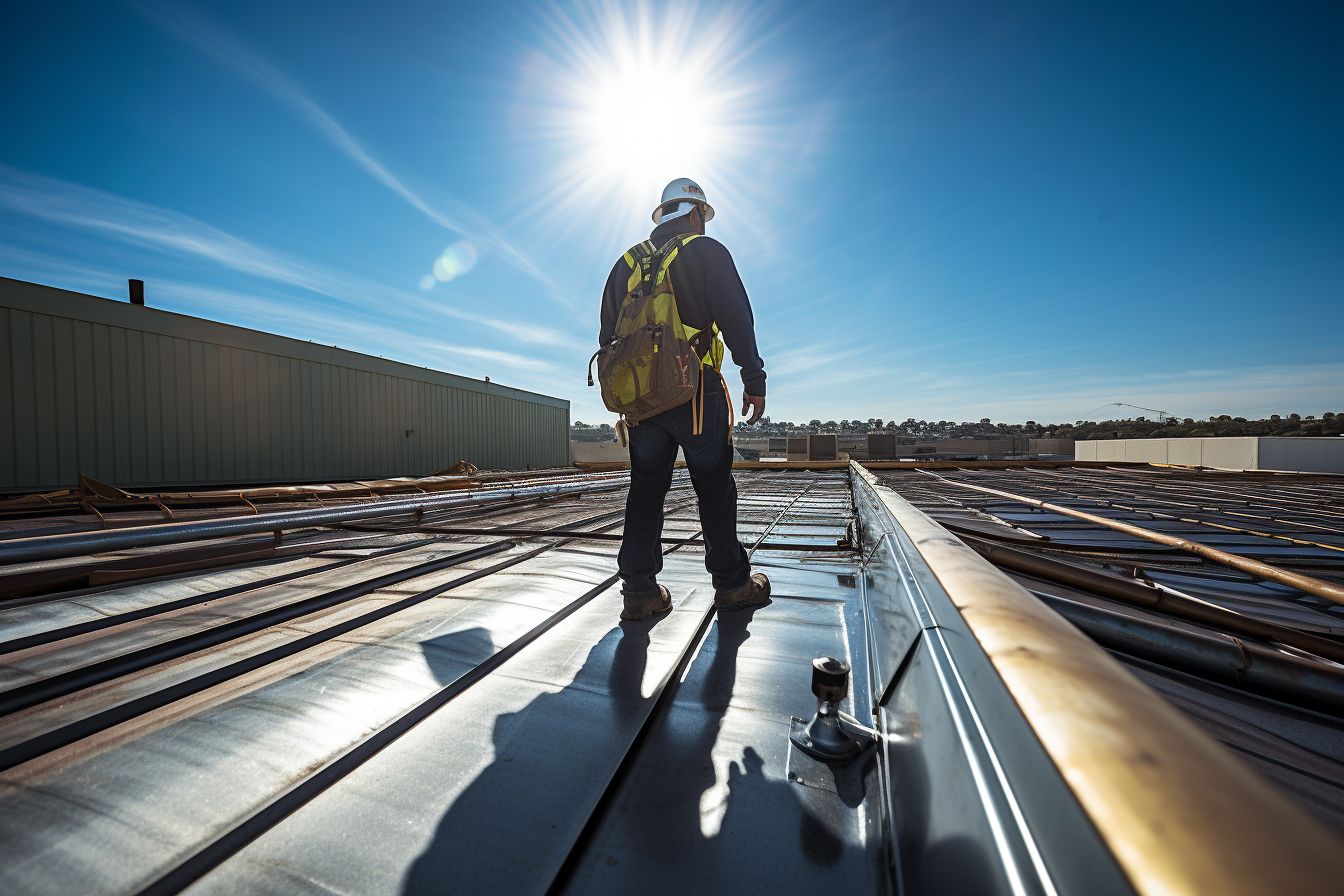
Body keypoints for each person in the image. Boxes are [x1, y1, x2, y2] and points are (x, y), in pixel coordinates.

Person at [598, 177, 771, 621]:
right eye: (703, 218)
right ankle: (733, 585)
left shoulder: (626, 263)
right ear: (694, 214)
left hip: (641, 403)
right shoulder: (705, 251)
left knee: (645, 490)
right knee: (713, 487)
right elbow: (736, 314)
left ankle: (639, 592)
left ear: (664, 215)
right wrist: (753, 377)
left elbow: (608, 339)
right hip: (695, 391)